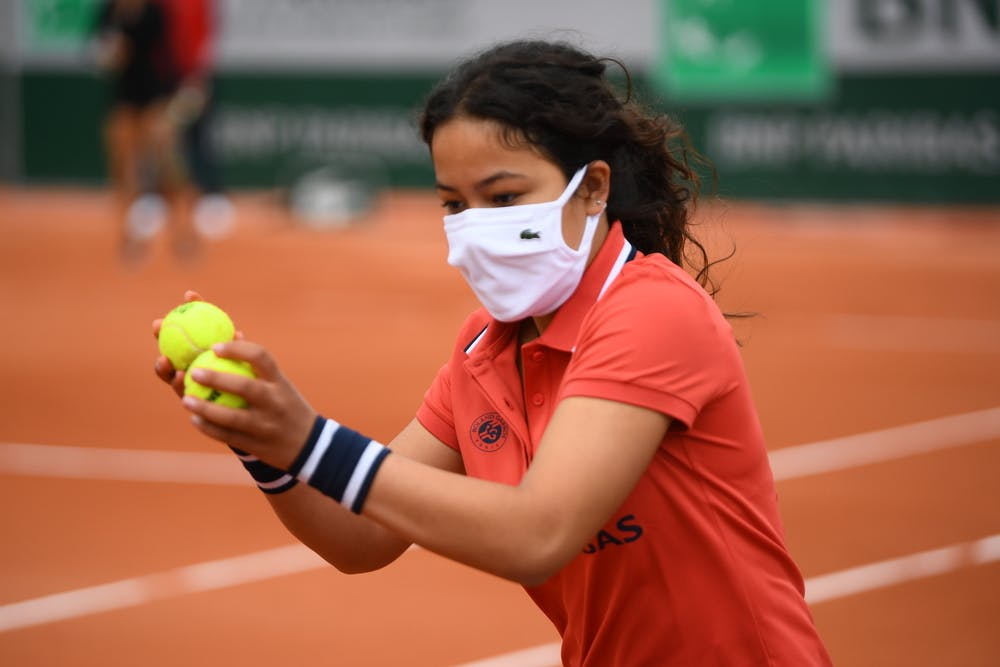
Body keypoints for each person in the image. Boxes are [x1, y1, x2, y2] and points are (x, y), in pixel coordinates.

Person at [154, 40, 832, 665]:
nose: (477, 225)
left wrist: (308, 440)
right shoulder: (485, 348)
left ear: (593, 187)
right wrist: (256, 434)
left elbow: (538, 533)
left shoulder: (652, 310)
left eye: (504, 196)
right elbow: (358, 537)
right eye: (454, 203)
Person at [93, 0, 198, 264]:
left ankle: (183, 234)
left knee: (168, 168)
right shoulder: (109, 10)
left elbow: (169, 54)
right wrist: (109, 55)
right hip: (123, 99)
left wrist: (178, 92)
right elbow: (99, 51)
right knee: (124, 170)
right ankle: (130, 239)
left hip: (156, 97)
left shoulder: (155, 11)